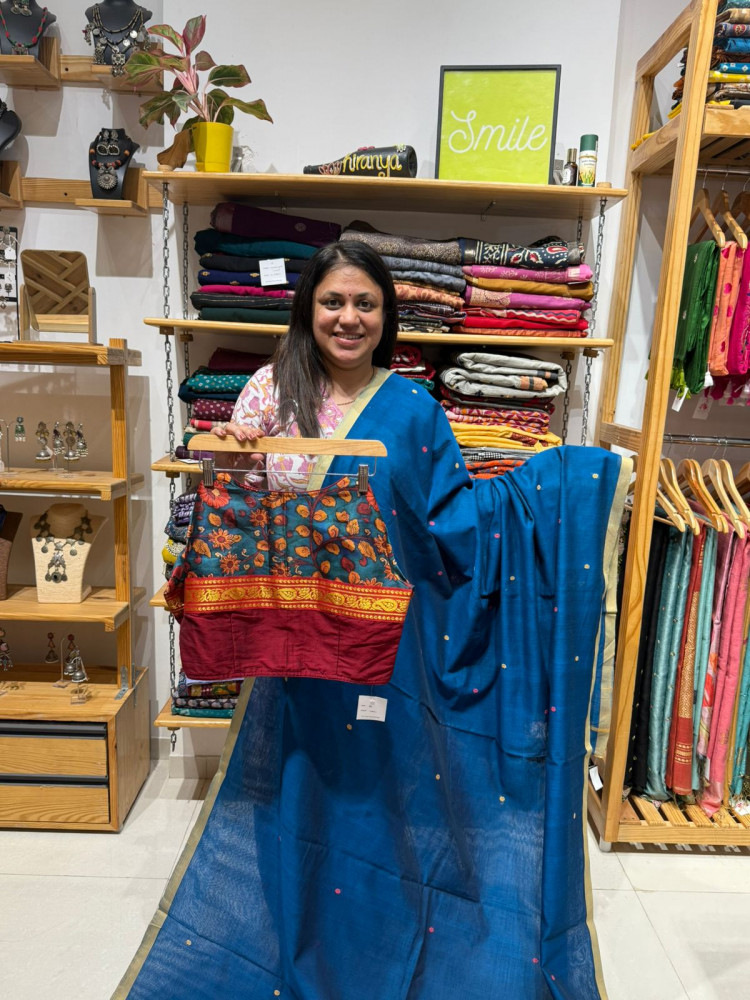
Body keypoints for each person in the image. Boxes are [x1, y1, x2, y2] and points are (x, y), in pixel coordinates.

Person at [116, 241, 629, 1000]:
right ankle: (298, 933)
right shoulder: (266, 391)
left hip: (384, 644)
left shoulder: (415, 409)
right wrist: (226, 454)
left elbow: (455, 521)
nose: (348, 318)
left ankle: (382, 934)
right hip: (294, 649)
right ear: (308, 309)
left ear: (387, 317)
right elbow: (239, 505)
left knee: (374, 798)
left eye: (365, 304)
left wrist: (562, 486)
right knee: (299, 793)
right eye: (333, 302)